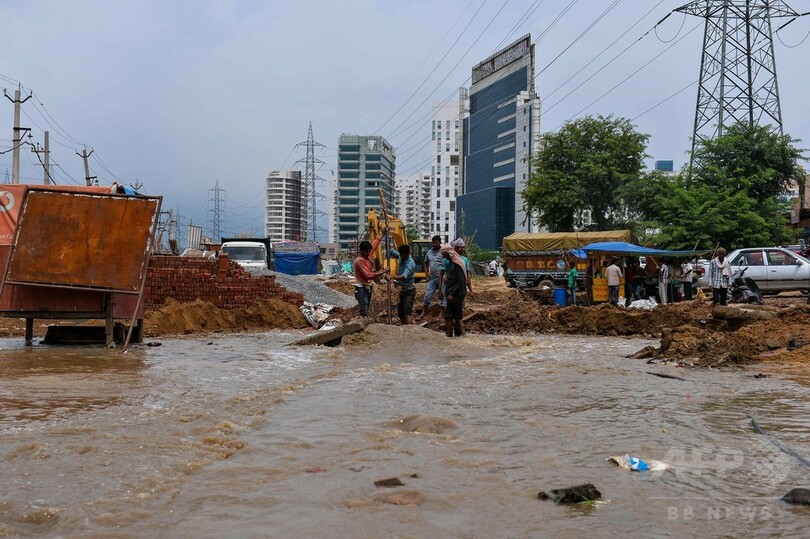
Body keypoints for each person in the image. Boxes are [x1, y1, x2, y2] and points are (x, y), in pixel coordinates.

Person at [352, 236, 388, 317]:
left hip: (367, 286)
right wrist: (383, 271)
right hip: (361, 287)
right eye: (367, 252)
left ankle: (364, 318)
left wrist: (381, 235)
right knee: (364, 305)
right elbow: (368, 275)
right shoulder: (359, 261)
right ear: (361, 251)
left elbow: (374, 245)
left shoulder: (367, 256)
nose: (369, 253)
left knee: (367, 304)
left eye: (369, 251)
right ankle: (362, 319)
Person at [387, 244, 416, 325]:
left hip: (409, 291)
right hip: (400, 289)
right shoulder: (400, 256)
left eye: (404, 256)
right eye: (401, 255)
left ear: (408, 254)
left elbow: (404, 276)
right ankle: (404, 328)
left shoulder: (410, 263)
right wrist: (389, 248)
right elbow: (393, 252)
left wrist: (392, 276)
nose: (402, 257)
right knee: (401, 313)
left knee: (407, 311)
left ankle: (409, 329)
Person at [416, 235, 444, 320]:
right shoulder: (429, 252)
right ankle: (423, 312)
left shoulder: (443, 252)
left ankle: (441, 313)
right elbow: (425, 263)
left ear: (440, 243)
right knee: (428, 295)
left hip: (442, 277)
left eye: (436, 243)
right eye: (433, 243)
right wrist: (426, 275)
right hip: (433, 277)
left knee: (442, 295)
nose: (435, 244)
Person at [441, 243, 467, 337]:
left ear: (450, 253)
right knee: (455, 316)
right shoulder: (451, 264)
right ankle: (459, 337)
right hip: (452, 295)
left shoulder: (457, 264)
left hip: (456, 295)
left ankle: (451, 336)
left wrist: (452, 294)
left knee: (452, 316)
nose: (444, 257)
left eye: (445, 255)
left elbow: (461, 281)